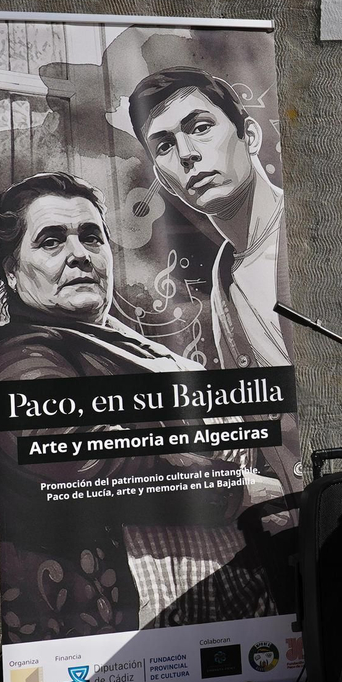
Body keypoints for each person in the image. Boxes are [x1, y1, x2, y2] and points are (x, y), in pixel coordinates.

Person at [0, 171, 285, 642]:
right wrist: (233, 490)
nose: (80, 255)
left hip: (212, 577)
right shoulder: (22, 353)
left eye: (92, 237)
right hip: (116, 602)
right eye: (51, 242)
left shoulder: (123, 342)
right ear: (11, 270)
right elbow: (64, 453)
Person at [127, 67, 301, 493]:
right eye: (164, 146)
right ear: (162, 180)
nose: (187, 154)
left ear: (251, 136)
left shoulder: (308, 236)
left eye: (201, 127)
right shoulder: (222, 276)